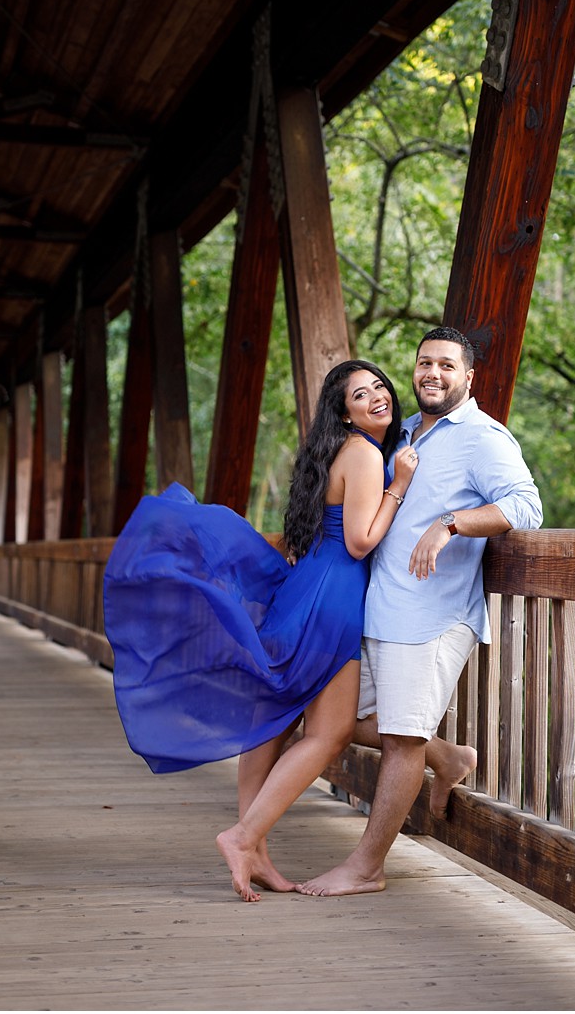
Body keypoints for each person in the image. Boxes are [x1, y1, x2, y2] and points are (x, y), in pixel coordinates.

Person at [105, 359, 419, 901]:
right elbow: (361, 541)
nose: (377, 399)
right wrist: (401, 487)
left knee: (273, 717)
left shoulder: (335, 452)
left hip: (308, 588)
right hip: (335, 596)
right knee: (329, 733)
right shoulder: (367, 454)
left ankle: (256, 850)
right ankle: (244, 836)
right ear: (344, 413)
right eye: (361, 395)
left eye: (380, 389)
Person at [299, 326, 541, 897]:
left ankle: (366, 867)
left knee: (402, 738)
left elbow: (525, 507)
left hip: (432, 616)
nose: (432, 373)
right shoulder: (405, 431)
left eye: (446, 366)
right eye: (424, 363)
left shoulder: (483, 436)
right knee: (338, 721)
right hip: (379, 610)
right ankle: (451, 757)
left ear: (468, 377)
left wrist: (451, 522)